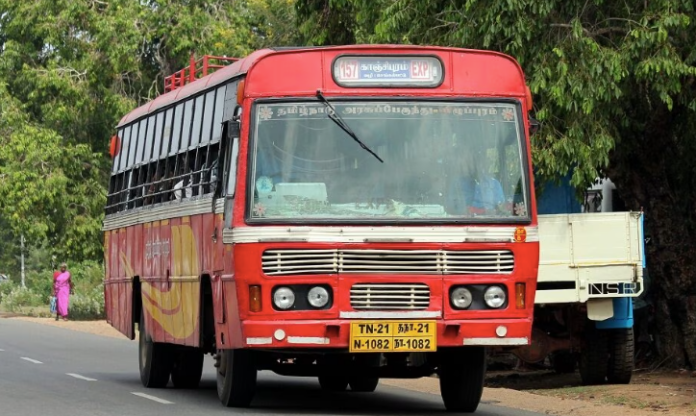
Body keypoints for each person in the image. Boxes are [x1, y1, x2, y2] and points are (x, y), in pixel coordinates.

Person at [446, 146, 505, 216]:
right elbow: (449, 210)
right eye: (471, 160)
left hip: (490, 224)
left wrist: (493, 212)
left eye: (478, 159)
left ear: (484, 162)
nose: (475, 164)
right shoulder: (456, 184)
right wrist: (461, 212)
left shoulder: (495, 185)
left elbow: (502, 211)